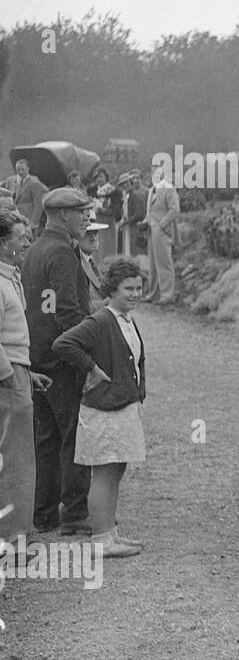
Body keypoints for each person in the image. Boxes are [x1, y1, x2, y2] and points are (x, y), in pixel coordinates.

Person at [52, 258, 148, 557]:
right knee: (104, 473)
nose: (134, 293)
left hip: (121, 405)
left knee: (116, 469)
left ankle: (111, 533)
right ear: (112, 290)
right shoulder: (102, 320)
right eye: (128, 288)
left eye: (138, 287)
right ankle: (101, 540)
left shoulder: (126, 318)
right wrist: (91, 368)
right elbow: (63, 344)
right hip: (104, 410)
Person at [23, 187, 94, 535]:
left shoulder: (35, 249)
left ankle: (45, 514)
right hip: (63, 359)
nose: (86, 218)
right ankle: (76, 515)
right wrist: (89, 354)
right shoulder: (63, 254)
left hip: (37, 358)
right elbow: (68, 313)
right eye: (81, 212)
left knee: (47, 438)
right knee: (74, 436)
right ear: (63, 214)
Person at [0, 211, 53, 548]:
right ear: (4, 243)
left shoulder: (10, 277)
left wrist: (25, 372)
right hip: (7, 380)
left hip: (16, 373)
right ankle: (13, 543)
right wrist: (10, 376)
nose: (28, 243)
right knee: (16, 461)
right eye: (22, 237)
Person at [143, 163, 180, 304]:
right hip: (151, 231)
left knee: (164, 262)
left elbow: (174, 210)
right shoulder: (151, 190)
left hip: (162, 231)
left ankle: (167, 295)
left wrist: (161, 224)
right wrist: (146, 221)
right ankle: (152, 294)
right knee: (152, 263)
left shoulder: (169, 189)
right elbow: (150, 211)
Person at [2, 159, 48, 228]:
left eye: (23, 169)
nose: (20, 172)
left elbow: (38, 205)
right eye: (18, 169)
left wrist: (33, 222)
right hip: (13, 219)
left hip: (28, 220)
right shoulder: (10, 181)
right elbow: (6, 199)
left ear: (28, 168)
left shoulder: (35, 183)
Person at [79, 221, 109, 305]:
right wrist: (109, 304)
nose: (93, 238)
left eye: (95, 232)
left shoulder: (90, 261)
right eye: (88, 233)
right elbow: (81, 306)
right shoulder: (76, 264)